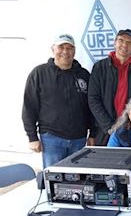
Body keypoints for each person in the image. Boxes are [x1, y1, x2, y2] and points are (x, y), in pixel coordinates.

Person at [22, 34, 95, 168]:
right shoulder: (39, 73)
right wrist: (32, 137)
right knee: (54, 181)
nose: (65, 52)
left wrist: (93, 134)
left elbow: (90, 107)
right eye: (61, 47)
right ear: (53, 49)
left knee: (77, 182)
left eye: (70, 48)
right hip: (51, 139)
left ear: (74, 51)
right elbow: (29, 107)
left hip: (79, 140)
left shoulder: (84, 75)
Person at [88, 29, 131, 146]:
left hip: (128, 131)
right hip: (104, 131)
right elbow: (93, 99)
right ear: (115, 43)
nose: (124, 45)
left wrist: (128, 125)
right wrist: (110, 127)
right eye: (121, 40)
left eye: (129, 42)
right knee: (103, 163)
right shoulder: (100, 68)